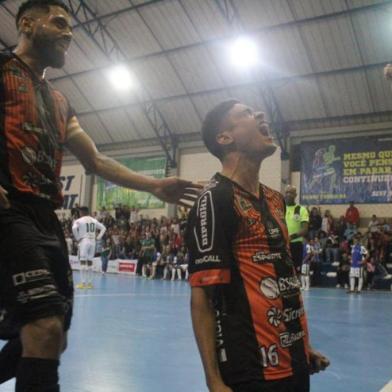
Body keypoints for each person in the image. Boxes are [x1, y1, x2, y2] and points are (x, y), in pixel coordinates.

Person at [0, 1, 201, 390]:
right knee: (44, 325)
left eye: (70, 26)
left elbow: (94, 160)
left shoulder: (60, 101)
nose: (68, 32)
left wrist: (154, 186)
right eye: (58, 22)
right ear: (26, 23)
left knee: (53, 336)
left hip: (46, 220)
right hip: (10, 211)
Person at [186, 100, 329, 392]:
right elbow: (203, 298)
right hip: (250, 368)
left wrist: (303, 345)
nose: (261, 115)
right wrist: (213, 380)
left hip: (294, 361)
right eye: (247, 114)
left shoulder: (276, 200)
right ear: (225, 138)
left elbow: (284, 279)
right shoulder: (214, 200)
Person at [72, 207, 106, 289]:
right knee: (90, 262)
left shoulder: (79, 220)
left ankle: (83, 283)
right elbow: (104, 228)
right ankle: (90, 284)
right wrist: (98, 237)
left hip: (84, 241)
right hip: (93, 241)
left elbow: (73, 228)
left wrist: (77, 238)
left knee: (83, 261)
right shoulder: (94, 220)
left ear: (81, 212)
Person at [285, 185, 309, 273]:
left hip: (295, 245)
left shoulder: (301, 209)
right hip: (281, 245)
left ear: (295, 195)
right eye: (287, 192)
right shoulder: (279, 208)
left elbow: (304, 229)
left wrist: (290, 237)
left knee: (295, 272)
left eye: (291, 193)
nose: (288, 195)